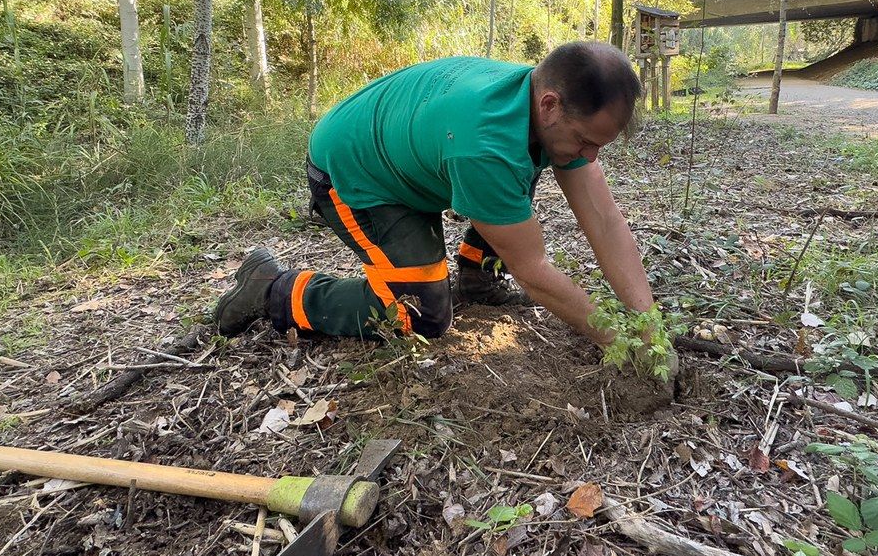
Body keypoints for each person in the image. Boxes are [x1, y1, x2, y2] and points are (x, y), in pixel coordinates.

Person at [213, 41, 656, 347]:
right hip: (353, 173)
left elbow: (605, 223)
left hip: (415, 155)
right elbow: (533, 269)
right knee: (420, 313)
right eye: (585, 140)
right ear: (550, 104)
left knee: (524, 169)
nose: (591, 156)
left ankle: (477, 277)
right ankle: (274, 288)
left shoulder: (538, 108)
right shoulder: (486, 145)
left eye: (601, 143)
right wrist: (616, 338)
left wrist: (649, 327)